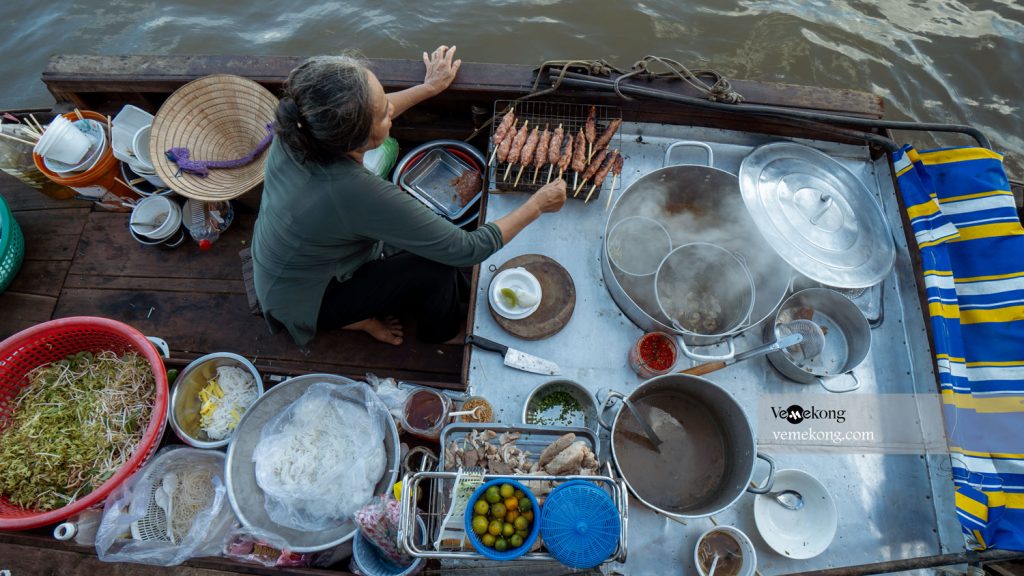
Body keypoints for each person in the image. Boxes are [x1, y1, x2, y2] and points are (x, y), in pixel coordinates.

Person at [252, 46, 567, 348]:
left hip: (294, 263)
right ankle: (435, 334)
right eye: (385, 115)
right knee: (438, 267)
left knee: (425, 239)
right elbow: (467, 249)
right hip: (308, 300)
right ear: (360, 139)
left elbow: (370, 114)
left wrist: (428, 88)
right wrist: (537, 205)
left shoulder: (300, 132)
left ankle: (358, 313)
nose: (392, 109)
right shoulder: (352, 190)